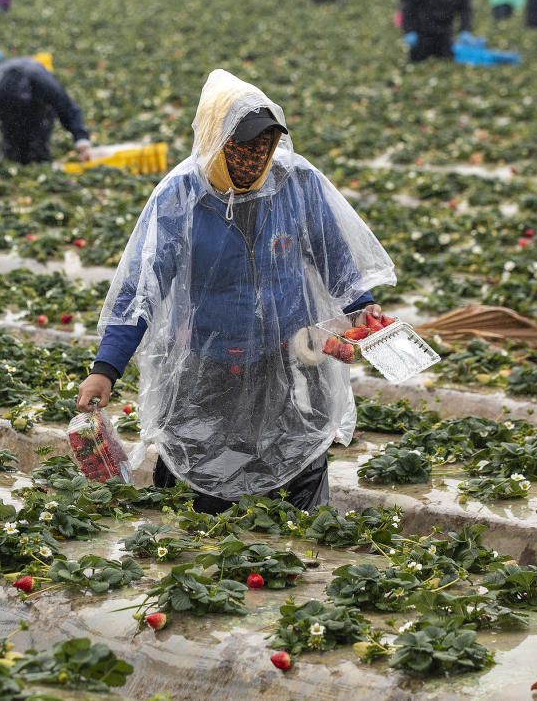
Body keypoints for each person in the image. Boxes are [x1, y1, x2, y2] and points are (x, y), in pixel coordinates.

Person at [75, 69, 395, 513]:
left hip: (284, 354)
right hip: (206, 360)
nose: (254, 158)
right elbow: (139, 289)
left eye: (264, 146)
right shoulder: (181, 196)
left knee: (290, 462)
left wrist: (359, 306)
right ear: (214, 136)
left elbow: (332, 253)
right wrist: (106, 368)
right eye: (242, 146)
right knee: (199, 468)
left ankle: (284, 552)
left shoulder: (294, 182)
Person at [0, 55, 93, 164]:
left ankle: (41, 161)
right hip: (6, 113)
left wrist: (81, 140)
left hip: (36, 111)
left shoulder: (43, 82)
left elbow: (68, 109)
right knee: (11, 149)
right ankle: (12, 161)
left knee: (37, 146)